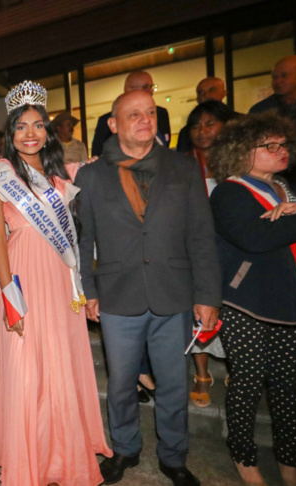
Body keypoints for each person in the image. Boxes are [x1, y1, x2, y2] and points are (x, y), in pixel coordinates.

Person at [76, 90, 222, 486]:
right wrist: (88, 291)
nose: (145, 120)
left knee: (173, 384)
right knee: (121, 383)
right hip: (117, 294)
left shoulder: (184, 167)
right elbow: (84, 240)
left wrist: (207, 295)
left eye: (151, 112)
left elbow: (201, 235)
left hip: (173, 293)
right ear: (113, 125)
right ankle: (125, 449)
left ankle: (173, 457)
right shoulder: (91, 175)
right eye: (134, 114)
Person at [0, 81, 111, 485]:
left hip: (59, 281)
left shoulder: (61, 177)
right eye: (21, 126)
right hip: (22, 279)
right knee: (28, 371)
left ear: (48, 132)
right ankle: (31, 463)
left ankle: (66, 459)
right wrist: (10, 298)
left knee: (63, 366)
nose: (30, 133)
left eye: (37, 125)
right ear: (10, 133)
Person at [209, 113, 296, 486]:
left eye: (283, 144)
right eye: (270, 146)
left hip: (290, 302)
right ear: (242, 151)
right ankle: (244, 458)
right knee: (246, 383)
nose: (281, 151)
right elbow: (256, 239)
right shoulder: (229, 192)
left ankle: (290, 462)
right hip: (245, 303)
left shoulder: (287, 188)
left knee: (287, 388)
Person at [183, 100, 238, 408]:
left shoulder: (240, 165)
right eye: (196, 125)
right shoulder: (180, 165)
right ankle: (201, 373)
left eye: (209, 124)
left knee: (231, 312)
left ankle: (234, 367)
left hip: (231, 250)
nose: (202, 131)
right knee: (198, 310)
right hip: (193, 251)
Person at [250, 55, 296, 190]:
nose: (278, 81)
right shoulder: (260, 110)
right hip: (277, 179)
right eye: (274, 78)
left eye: (284, 76)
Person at [91, 71, 172, 157]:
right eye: (145, 87)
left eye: (151, 86)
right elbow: (97, 154)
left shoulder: (161, 113)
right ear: (128, 90)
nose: (151, 91)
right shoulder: (107, 121)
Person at [176, 77, 229, 153]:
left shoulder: (239, 122)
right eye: (201, 92)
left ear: (224, 93)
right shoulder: (187, 132)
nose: (206, 95)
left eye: (212, 90)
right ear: (197, 98)